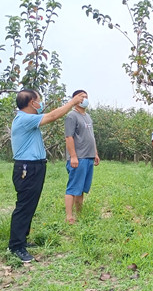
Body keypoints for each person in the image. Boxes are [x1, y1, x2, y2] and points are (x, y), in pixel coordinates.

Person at [9, 89, 85, 263]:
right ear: (31, 103)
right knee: (24, 206)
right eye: (39, 100)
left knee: (30, 205)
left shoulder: (28, 120)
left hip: (34, 167)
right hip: (27, 168)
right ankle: (16, 246)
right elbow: (52, 116)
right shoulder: (24, 119)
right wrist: (72, 102)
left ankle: (22, 239)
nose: (40, 103)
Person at [64, 90, 100, 224]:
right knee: (73, 187)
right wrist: (73, 156)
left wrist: (95, 153)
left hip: (89, 157)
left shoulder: (88, 117)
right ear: (75, 99)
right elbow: (69, 137)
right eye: (82, 97)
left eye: (86, 97)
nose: (84, 99)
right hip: (78, 158)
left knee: (82, 188)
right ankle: (69, 216)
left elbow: (92, 137)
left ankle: (79, 214)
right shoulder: (71, 116)